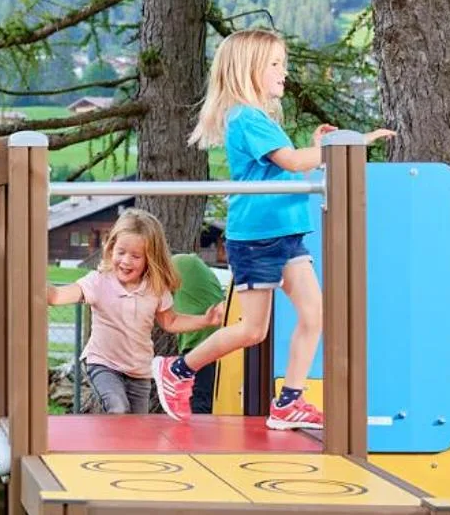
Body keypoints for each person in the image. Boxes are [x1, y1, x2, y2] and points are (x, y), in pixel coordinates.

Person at [152, 29, 392, 428]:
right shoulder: (245, 117)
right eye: (276, 65)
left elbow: (289, 163)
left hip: (285, 233)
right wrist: (351, 143)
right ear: (250, 70)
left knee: (315, 314)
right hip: (259, 237)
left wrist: (316, 150)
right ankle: (178, 370)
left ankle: (289, 402)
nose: (284, 72)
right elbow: (294, 163)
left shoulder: (258, 118)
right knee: (252, 330)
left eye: (285, 63)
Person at [45, 209, 223, 415]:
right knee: (118, 408)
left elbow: (171, 322)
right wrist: (32, 279)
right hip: (104, 364)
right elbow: (57, 296)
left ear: (150, 258)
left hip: (139, 371)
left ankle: (111, 446)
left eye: (136, 256)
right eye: (121, 252)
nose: (126, 261)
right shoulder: (98, 281)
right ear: (111, 248)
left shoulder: (155, 288)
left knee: (136, 427)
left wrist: (205, 320)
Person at [169, 250, 231, 414]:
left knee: (198, 402)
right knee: (206, 400)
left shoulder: (179, 263)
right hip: (217, 342)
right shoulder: (195, 266)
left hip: (200, 345)